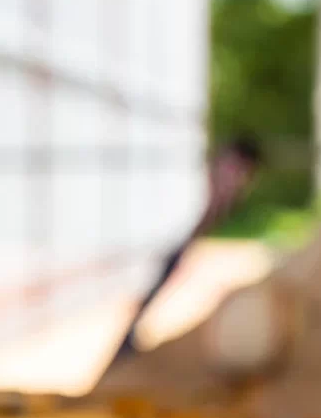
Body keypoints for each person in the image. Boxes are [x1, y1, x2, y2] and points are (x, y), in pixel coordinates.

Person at [111, 134, 265, 365]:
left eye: (243, 175)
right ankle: (124, 340)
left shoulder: (217, 196)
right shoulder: (193, 187)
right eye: (236, 170)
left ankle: (128, 338)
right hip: (160, 247)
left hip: (173, 250)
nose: (237, 180)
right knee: (143, 294)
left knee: (149, 296)